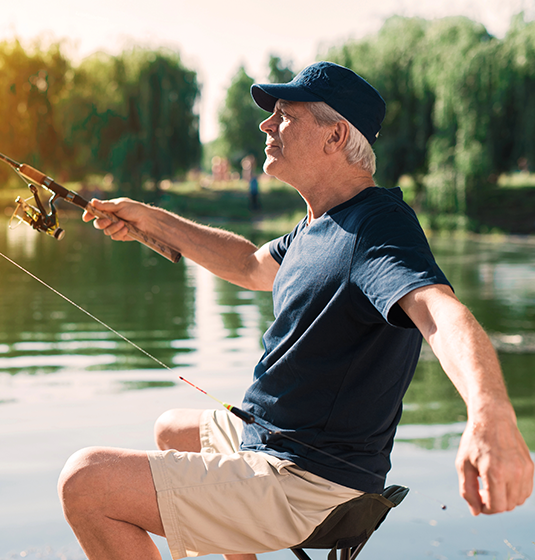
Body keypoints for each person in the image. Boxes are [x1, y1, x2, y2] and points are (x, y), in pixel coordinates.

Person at [58, 62, 533, 560]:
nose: (267, 124)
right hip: (277, 445)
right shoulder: (320, 223)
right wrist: (146, 217)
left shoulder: (376, 228)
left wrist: (490, 415)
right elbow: (246, 264)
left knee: (86, 481)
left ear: (335, 136)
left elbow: (441, 313)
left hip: (308, 479)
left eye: (285, 115)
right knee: (173, 429)